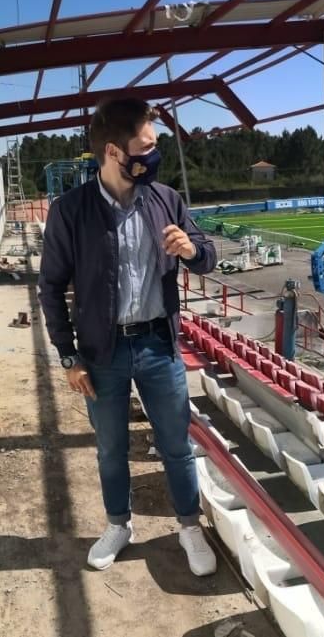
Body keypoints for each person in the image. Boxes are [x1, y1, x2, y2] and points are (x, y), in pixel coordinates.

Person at [39, 97, 218, 574]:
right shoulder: (70, 211)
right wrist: (67, 357)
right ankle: (119, 524)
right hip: (103, 353)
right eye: (148, 145)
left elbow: (208, 252)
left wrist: (192, 250)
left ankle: (189, 527)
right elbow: (50, 288)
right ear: (116, 152)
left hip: (159, 346)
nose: (154, 153)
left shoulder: (166, 199)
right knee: (111, 449)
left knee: (176, 445)